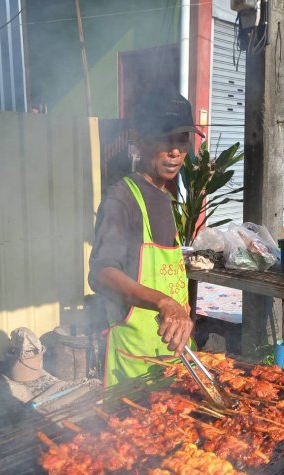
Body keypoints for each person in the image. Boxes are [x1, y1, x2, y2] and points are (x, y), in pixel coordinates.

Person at [89, 89, 205, 388]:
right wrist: (163, 302)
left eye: (181, 139)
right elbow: (102, 273)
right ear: (140, 140)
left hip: (173, 358)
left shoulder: (164, 196)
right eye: (164, 139)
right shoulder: (123, 198)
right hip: (135, 369)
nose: (175, 151)